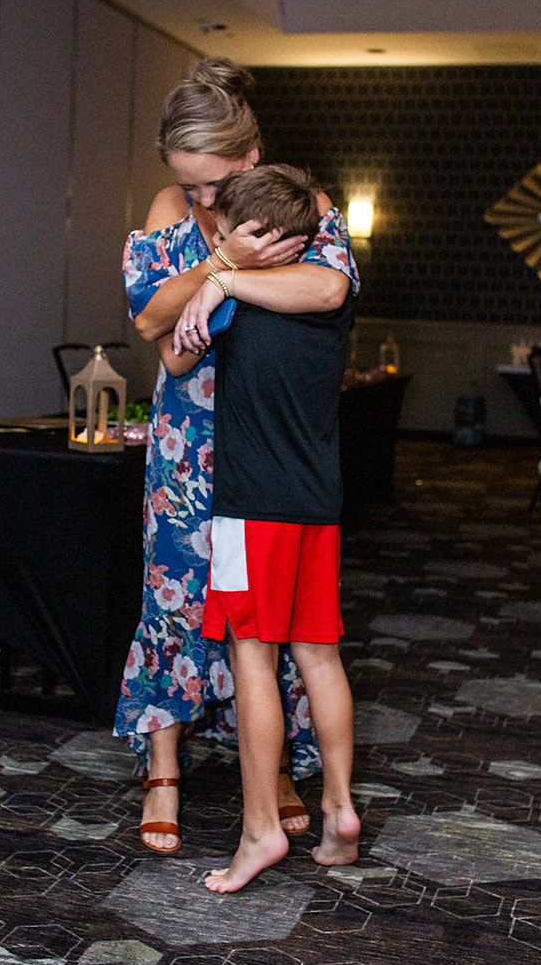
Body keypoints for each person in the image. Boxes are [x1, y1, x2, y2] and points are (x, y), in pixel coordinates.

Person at [116, 59, 358, 853]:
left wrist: (224, 285)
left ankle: (275, 766)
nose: (200, 200)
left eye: (214, 184)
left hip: (267, 436)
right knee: (173, 596)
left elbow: (328, 290)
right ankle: (163, 767)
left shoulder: (298, 202)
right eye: (187, 184)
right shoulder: (171, 207)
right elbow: (151, 319)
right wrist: (224, 264)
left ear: (250, 158)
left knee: (272, 617)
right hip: (187, 440)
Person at [163, 164, 360, 892]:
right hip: (317, 502)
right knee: (320, 656)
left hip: (251, 506)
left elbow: (175, 357)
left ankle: (259, 830)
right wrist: (225, 278)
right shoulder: (324, 291)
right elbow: (327, 288)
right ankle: (339, 811)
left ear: (253, 232)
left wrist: (219, 278)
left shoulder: (241, 299)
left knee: (254, 656)